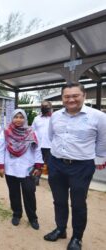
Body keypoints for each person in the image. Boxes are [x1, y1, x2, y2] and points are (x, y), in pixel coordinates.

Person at [44, 82, 106, 250]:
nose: (71, 99)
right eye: (67, 96)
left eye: (75, 95)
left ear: (84, 96)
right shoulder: (55, 116)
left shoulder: (98, 117)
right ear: (62, 98)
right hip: (56, 164)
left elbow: (102, 142)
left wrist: (99, 160)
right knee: (59, 200)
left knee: (78, 203)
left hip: (82, 166)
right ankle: (61, 229)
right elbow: (51, 137)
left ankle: (77, 238)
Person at [0, 109, 43, 230]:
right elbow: (0, 149)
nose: (18, 120)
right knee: (14, 193)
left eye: (21, 117)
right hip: (10, 167)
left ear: (25, 119)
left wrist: (38, 165)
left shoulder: (29, 132)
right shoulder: (6, 132)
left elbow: (36, 149)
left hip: (27, 167)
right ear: (12, 118)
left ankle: (33, 218)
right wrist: (0, 166)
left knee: (29, 192)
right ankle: (17, 214)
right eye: (16, 117)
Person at [31, 100, 52, 185]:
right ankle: (36, 180)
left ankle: (52, 182)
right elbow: (32, 130)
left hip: (50, 146)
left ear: (50, 108)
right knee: (37, 164)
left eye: (46, 106)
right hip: (38, 145)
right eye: (43, 106)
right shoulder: (37, 118)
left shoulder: (54, 118)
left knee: (50, 165)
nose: (44, 108)